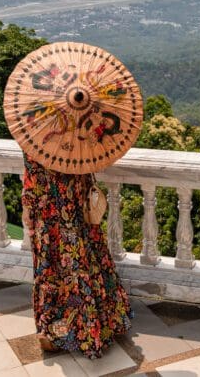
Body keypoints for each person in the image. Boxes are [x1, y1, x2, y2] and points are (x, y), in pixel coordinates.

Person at [21, 153, 133, 359]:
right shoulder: (78, 130)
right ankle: (100, 324)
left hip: (48, 210)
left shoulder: (36, 132)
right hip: (76, 202)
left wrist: (27, 205)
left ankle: (55, 331)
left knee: (53, 270)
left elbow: (32, 174)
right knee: (86, 261)